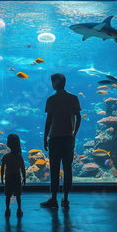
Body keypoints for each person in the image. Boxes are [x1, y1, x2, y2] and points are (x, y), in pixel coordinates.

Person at [41, 73, 81, 209]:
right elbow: (79, 117)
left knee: (55, 169)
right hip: (68, 138)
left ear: (54, 84)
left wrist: (45, 137)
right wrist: (74, 134)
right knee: (67, 168)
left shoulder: (51, 99)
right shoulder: (73, 98)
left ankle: (53, 199)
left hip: (55, 138)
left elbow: (48, 121)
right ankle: (66, 199)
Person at [1, 134, 27, 217]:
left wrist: (2, 178)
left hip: (8, 178)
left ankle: (7, 209)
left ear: (8, 144)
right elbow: (23, 168)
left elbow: (2, 168)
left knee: (8, 195)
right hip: (17, 178)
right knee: (18, 195)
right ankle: (19, 209)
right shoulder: (19, 157)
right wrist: (24, 178)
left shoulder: (6, 156)